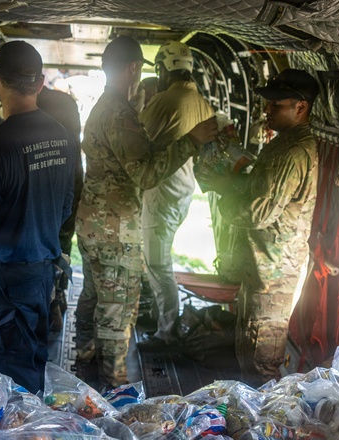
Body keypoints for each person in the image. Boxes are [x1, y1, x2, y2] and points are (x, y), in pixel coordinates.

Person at [74, 36, 217, 389]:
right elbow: (147, 173)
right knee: (117, 309)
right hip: (115, 228)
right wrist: (191, 141)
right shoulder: (121, 115)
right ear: (134, 69)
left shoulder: (103, 107)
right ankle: (112, 386)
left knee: (93, 296)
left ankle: (84, 356)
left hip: (93, 222)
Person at [0, 41, 76, 393]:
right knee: (33, 364)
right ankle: (32, 436)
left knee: (3, 377)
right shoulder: (63, 138)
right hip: (42, 273)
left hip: (5, 277)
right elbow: (66, 206)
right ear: (39, 83)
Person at [220, 68, 319, 380]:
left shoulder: (292, 151)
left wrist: (223, 198)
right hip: (265, 262)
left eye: (276, 105)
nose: (267, 110)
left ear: (301, 107)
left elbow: (258, 213)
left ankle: (263, 422)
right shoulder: (285, 143)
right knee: (250, 346)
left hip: (274, 268)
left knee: (263, 361)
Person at [136, 41, 214, 350]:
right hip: (182, 191)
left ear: (163, 70)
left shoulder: (166, 101)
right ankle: (159, 317)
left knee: (158, 265)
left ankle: (167, 332)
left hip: (160, 193)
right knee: (159, 260)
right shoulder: (202, 102)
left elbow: (138, 138)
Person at [36, 84, 83, 330]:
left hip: (43, 194)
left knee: (40, 248)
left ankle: (46, 301)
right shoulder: (67, 105)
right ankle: (59, 294)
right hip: (69, 190)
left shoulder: (35, 110)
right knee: (62, 244)